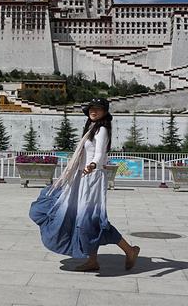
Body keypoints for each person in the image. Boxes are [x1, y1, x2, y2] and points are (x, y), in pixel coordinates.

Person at [29, 98, 140, 272]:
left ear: (104, 112)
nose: (93, 111)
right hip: (82, 177)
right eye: (91, 108)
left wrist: (93, 165)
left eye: (97, 109)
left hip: (93, 177)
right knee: (83, 218)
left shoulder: (102, 129)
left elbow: (99, 153)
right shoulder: (91, 129)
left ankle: (129, 251)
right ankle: (94, 260)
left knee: (91, 219)